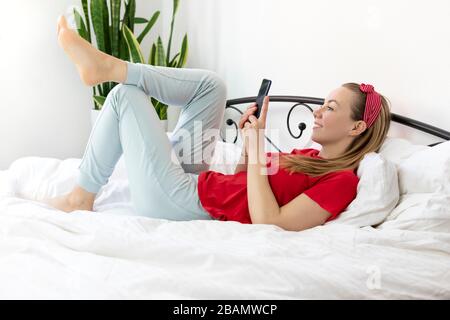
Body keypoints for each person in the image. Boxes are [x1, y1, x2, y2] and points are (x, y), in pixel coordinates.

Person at [43, 15, 391, 232]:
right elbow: (243, 180)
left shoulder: (341, 182)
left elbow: (270, 222)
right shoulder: (305, 155)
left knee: (125, 97)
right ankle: (112, 66)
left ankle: (81, 196)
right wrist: (247, 141)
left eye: (330, 107)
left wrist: (256, 152)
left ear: (356, 127)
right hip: (201, 183)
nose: (318, 111)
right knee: (213, 86)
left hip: (184, 203)